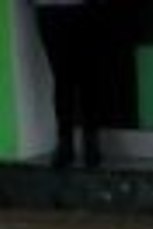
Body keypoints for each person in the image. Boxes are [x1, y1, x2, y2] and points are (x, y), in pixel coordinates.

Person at [32, 0, 105, 169]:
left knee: (86, 77)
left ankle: (89, 142)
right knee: (64, 79)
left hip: (82, 8)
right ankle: (67, 144)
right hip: (50, 10)